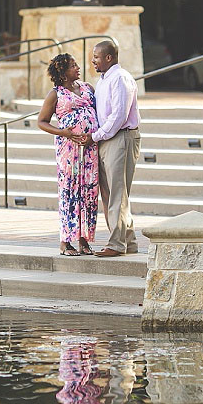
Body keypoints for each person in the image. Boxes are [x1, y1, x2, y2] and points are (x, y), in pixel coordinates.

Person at [36, 53, 99, 257]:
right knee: (70, 192)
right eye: (73, 66)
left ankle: (84, 240)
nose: (78, 68)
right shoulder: (56, 94)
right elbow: (42, 121)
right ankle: (66, 242)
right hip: (68, 149)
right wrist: (62, 132)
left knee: (88, 192)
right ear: (62, 72)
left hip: (90, 149)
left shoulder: (88, 88)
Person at [89, 38, 141, 258]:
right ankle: (129, 242)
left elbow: (118, 116)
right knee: (111, 194)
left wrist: (95, 136)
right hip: (106, 139)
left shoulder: (120, 78)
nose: (92, 61)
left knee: (117, 193)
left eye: (96, 57)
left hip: (121, 137)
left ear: (109, 57)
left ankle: (116, 244)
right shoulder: (103, 80)